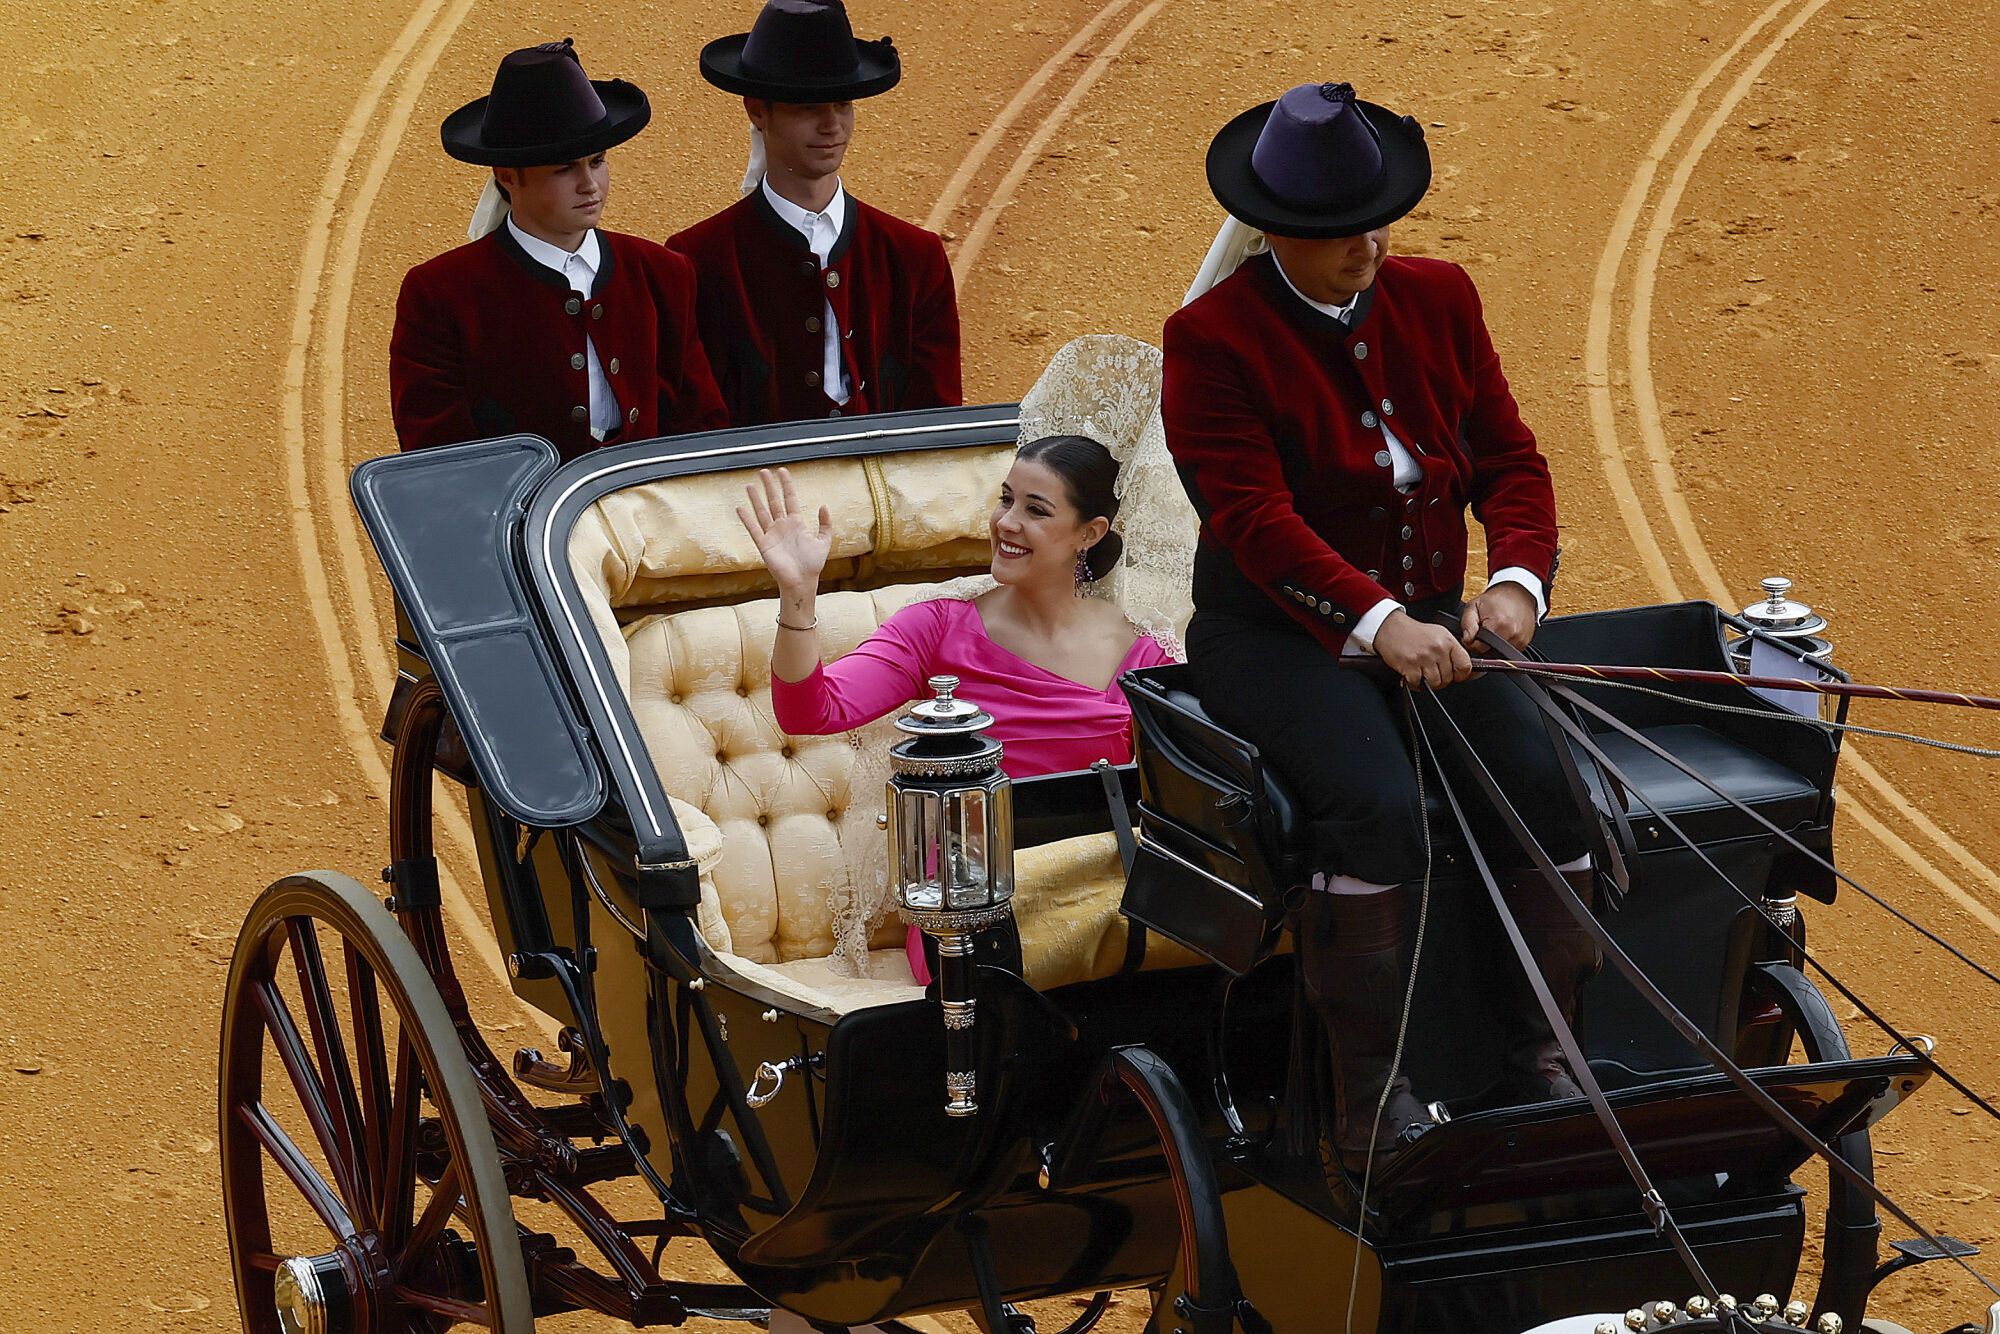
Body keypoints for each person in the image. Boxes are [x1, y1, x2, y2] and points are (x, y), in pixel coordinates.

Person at [1163, 82, 1602, 1170]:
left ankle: (1541, 1064)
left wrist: (1512, 585)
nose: (1365, 241)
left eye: (1374, 218)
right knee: (1373, 803)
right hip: (1267, 639)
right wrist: (1376, 619)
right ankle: (1369, 1100)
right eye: (1334, 228)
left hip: (1445, 634)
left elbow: (1509, 458)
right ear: (1273, 233)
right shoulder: (1207, 339)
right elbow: (1252, 521)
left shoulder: (1440, 298)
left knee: (1547, 780)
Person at [739, 436, 1178, 979]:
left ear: (1089, 534)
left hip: (1104, 898)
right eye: (1006, 499)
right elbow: (813, 711)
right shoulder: (938, 628)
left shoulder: (1146, 653)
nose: (1007, 522)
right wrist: (798, 592)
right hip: (973, 913)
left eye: (1035, 510)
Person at [390, 39, 727, 461]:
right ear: (508, 176)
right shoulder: (441, 293)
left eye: (598, 161)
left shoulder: (663, 272)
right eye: (565, 168)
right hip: (515, 522)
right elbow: (438, 451)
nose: (590, 184)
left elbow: (701, 424)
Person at [668, 0, 962, 426]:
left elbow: (937, 426)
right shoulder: (698, 260)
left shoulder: (915, 256)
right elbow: (700, 425)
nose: (832, 126)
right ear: (756, 109)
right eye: (808, 107)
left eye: (842, 104)